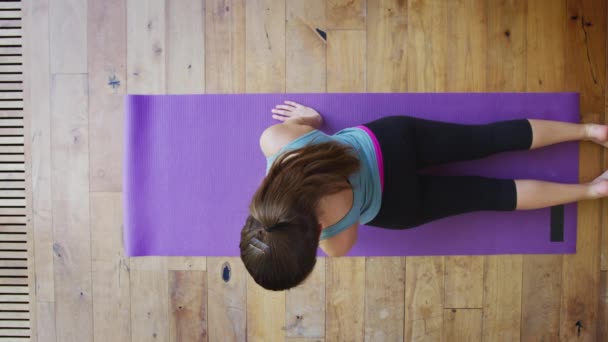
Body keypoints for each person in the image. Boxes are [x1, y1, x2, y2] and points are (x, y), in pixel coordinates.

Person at [239, 100, 608, 291]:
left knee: (494, 195)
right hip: (392, 142)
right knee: (489, 138)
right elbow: (310, 125)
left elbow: (345, 236)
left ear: (312, 237)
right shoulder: (277, 141)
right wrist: (312, 119)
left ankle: (593, 190)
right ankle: (592, 130)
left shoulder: (333, 240)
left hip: (400, 204)